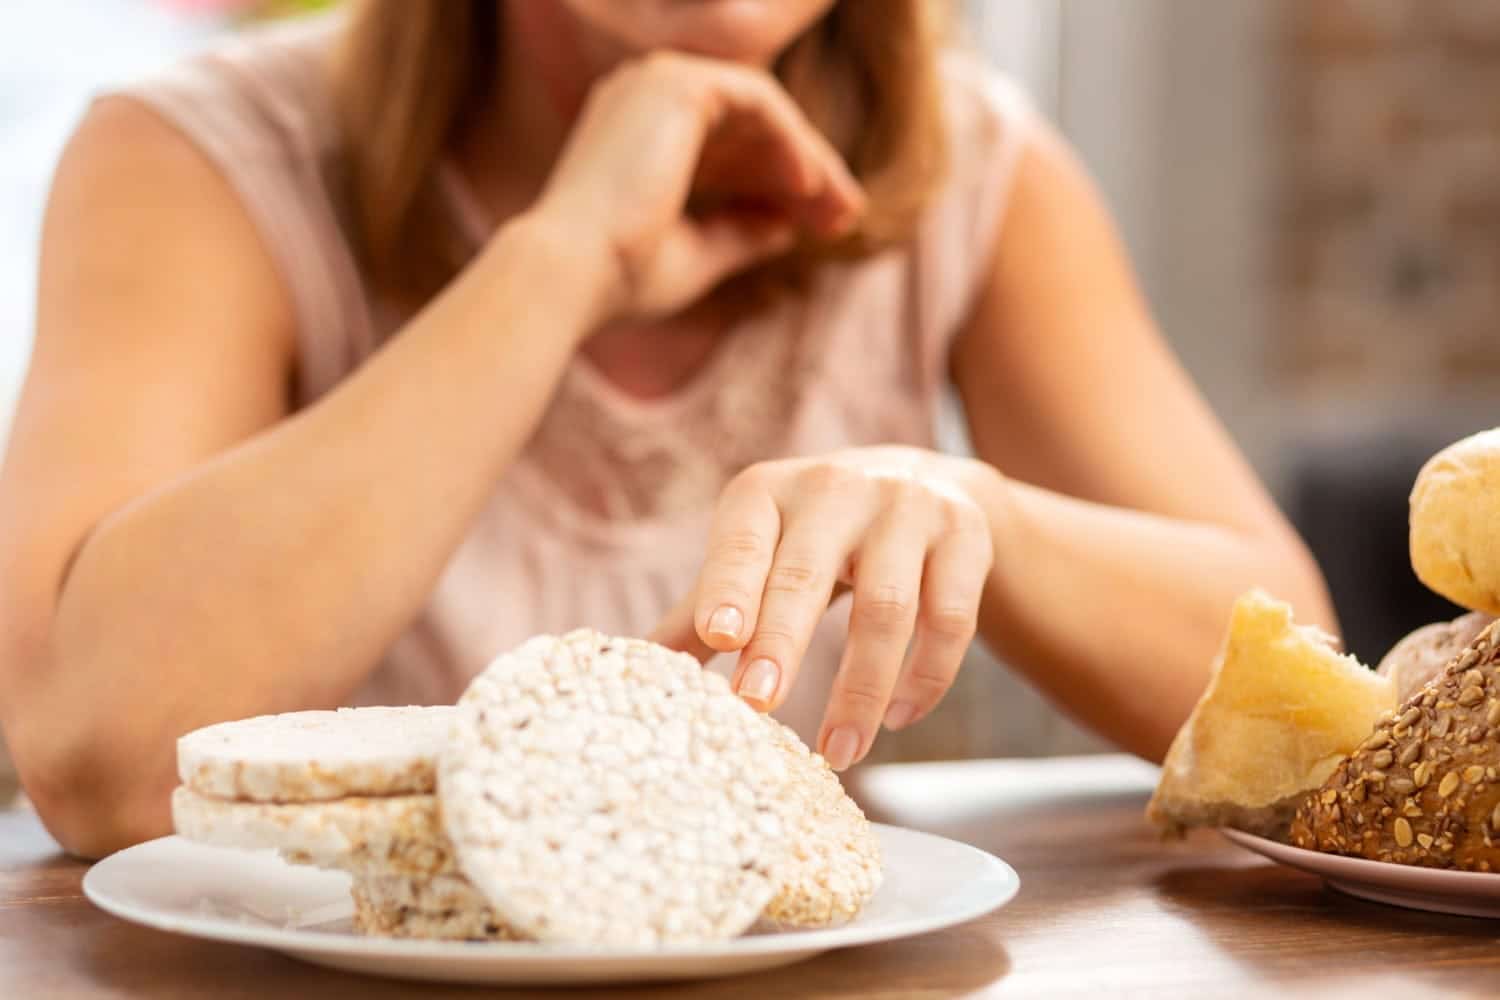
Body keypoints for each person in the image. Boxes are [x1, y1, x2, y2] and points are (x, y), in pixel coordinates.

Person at [0, 0, 1334, 859]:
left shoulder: (975, 167)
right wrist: (563, 259)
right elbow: (100, 759)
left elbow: (1304, 702)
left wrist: (974, 507)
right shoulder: (199, 155)